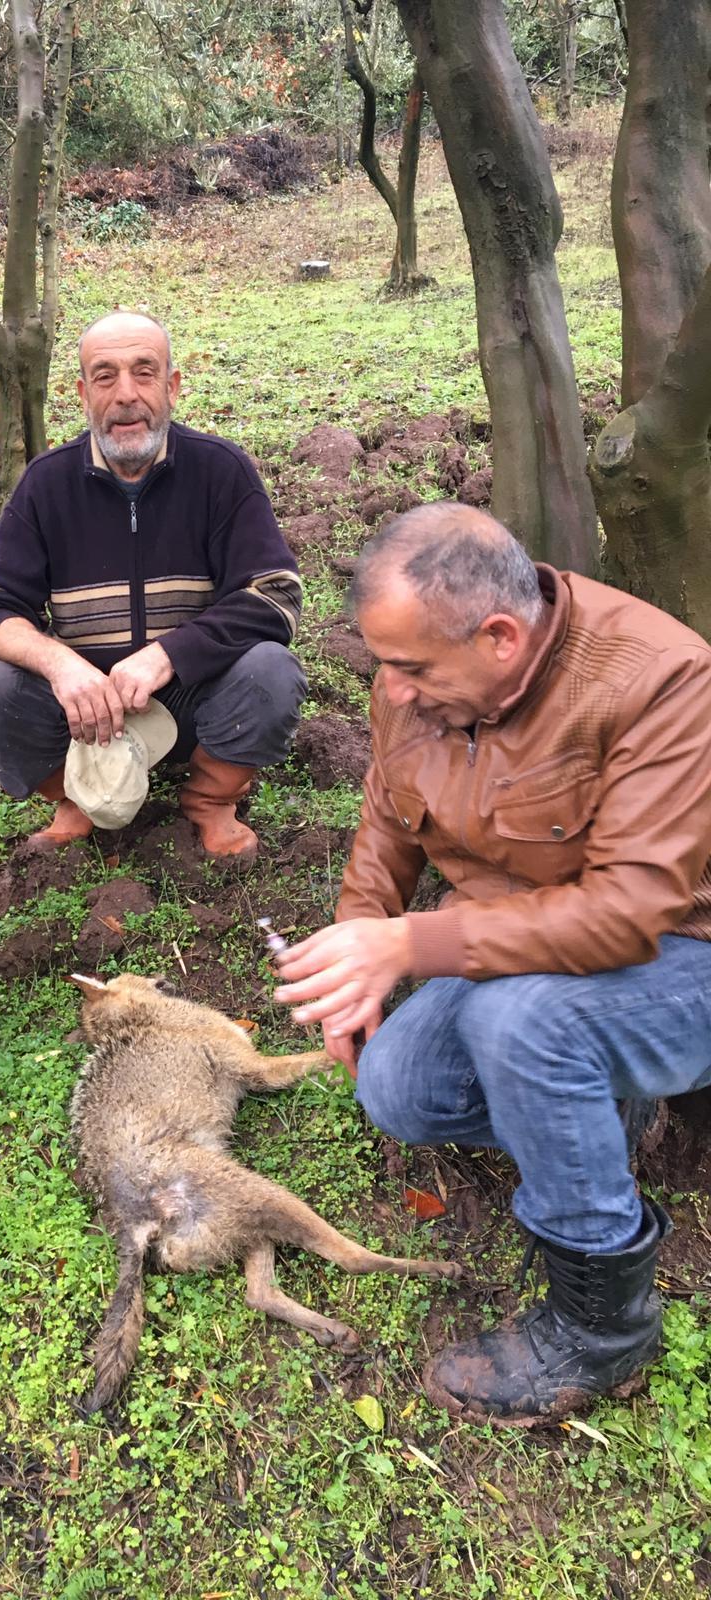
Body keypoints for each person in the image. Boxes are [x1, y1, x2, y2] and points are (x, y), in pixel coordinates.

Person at [272, 502, 711, 1427]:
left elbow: (630, 913)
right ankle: (600, 1113)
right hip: (522, 943)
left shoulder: (659, 680)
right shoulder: (422, 681)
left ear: (501, 637)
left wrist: (408, 946)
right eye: (383, 665)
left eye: (411, 668)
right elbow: (388, 825)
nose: (390, 692)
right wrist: (363, 943)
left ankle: (605, 1325)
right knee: (398, 1089)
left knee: (522, 1025)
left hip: (684, 954)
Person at [0, 310, 307, 863]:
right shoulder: (47, 483)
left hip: (197, 701)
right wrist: (62, 666)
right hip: (86, 713)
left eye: (144, 373)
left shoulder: (221, 471)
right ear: (82, 393)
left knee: (271, 671)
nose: (125, 395)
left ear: (171, 387)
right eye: (104, 376)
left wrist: (167, 655)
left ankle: (211, 800)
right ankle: (76, 799)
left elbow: (276, 596)